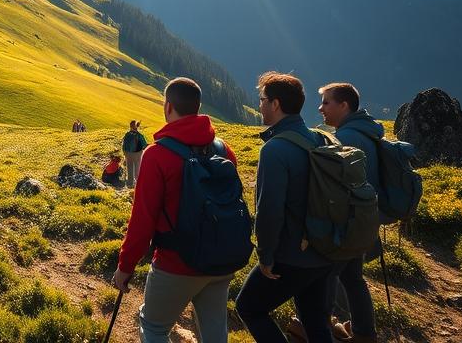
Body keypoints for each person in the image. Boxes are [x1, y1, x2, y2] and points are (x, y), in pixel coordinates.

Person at [112, 77, 239, 343]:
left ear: (168, 106)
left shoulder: (157, 154)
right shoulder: (223, 149)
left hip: (176, 263)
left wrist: (125, 266)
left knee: (154, 328)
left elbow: (142, 220)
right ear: (197, 107)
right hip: (221, 258)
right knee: (214, 333)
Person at [235, 72, 334, 343]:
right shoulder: (320, 139)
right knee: (315, 323)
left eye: (262, 100)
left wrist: (266, 257)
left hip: (291, 257)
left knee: (249, 307)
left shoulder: (275, 149)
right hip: (324, 250)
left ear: (275, 104)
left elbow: (269, 210)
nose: (259, 105)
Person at [317, 82, 384, 343]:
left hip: (346, 222)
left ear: (344, 105)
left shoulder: (345, 139)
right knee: (353, 278)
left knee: (325, 274)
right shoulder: (367, 132)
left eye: (326, 102)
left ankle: (316, 327)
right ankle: (364, 333)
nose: (321, 108)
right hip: (365, 219)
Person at [122, 119, 149, 187]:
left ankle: (130, 184)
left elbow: (124, 145)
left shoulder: (127, 134)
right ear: (137, 127)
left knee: (130, 168)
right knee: (137, 169)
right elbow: (144, 145)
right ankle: (138, 184)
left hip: (128, 154)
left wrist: (124, 153)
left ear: (130, 127)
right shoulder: (140, 135)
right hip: (138, 154)